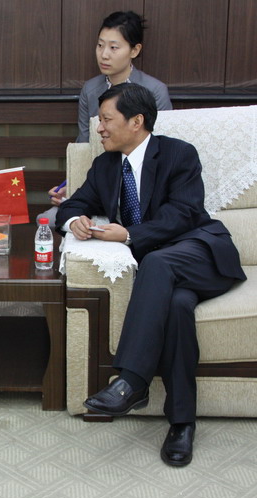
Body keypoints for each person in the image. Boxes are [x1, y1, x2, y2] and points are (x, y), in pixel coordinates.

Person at [55, 83, 245, 467]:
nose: (99, 128)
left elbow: (183, 215)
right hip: (164, 279)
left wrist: (128, 234)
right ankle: (182, 425)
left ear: (136, 121)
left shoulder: (178, 154)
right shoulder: (106, 166)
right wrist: (75, 220)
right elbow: (74, 204)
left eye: (106, 119)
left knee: (157, 262)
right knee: (177, 307)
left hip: (201, 253)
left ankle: (132, 381)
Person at [39, 10, 172, 227]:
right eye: (100, 45)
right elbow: (84, 143)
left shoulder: (155, 91)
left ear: (135, 50)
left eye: (113, 47)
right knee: (49, 219)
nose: (104, 55)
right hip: (100, 181)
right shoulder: (91, 90)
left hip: (142, 181)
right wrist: (69, 186)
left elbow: (162, 147)